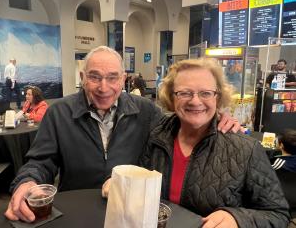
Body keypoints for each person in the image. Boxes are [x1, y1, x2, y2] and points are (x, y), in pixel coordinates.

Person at [5, 46, 241, 223]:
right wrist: (27, 181)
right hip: (77, 213)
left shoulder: (145, 111)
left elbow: (183, 125)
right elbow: (40, 161)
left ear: (124, 78)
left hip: (131, 216)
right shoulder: (59, 112)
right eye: (95, 76)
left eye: (112, 77)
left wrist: (216, 119)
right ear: (83, 78)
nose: (103, 87)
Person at [109, 58, 289, 227]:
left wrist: (239, 218)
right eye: (185, 93)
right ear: (172, 97)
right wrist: (120, 187)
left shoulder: (245, 149)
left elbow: (278, 214)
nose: (195, 101)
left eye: (205, 93)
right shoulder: (156, 135)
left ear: (217, 97)